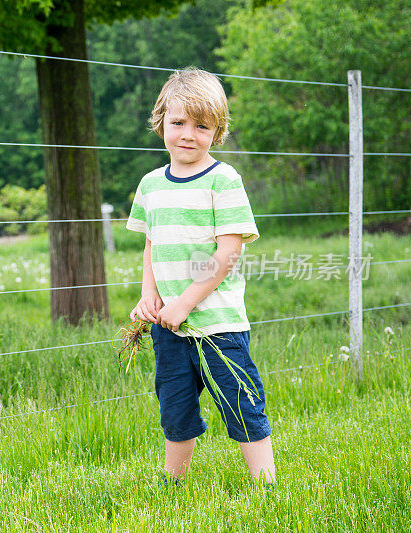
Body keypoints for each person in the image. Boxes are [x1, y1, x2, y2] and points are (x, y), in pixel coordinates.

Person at [127, 67, 276, 486]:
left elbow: (228, 253)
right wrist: (149, 296)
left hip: (218, 326)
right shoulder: (151, 185)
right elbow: (151, 245)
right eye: (178, 123)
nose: (188, 134)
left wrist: (185, 302)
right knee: (175, 408)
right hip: (169, 327)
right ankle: (173, 482)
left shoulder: (224, 180)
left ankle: (267, 486)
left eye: (201, 126)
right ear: (161, 123)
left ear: (217, 130)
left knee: (242, 404)